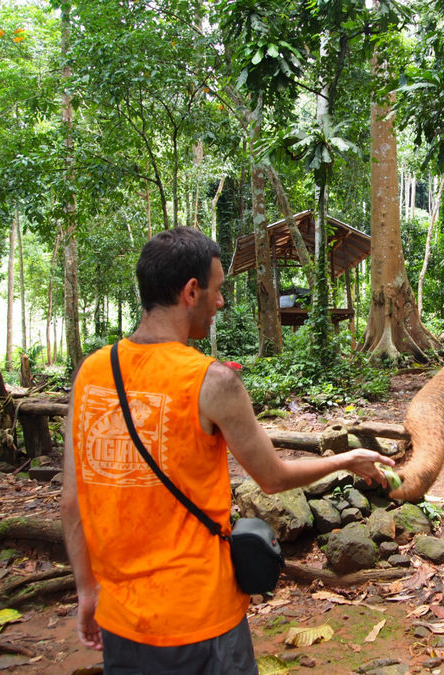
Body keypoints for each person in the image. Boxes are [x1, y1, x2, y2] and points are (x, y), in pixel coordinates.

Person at [62, 227, 394, 674]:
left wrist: (86, 592)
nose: (221, 303)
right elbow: (273, 478)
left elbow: (72, 502)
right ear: (191, 291)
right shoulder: (213, 381)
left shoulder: (91, 374)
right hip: (203, 621)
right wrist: (346, 459)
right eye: (217, 291)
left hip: (121, 622)